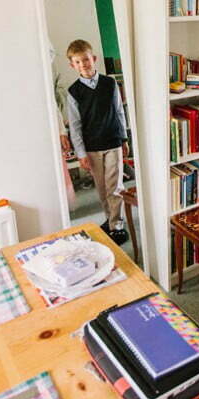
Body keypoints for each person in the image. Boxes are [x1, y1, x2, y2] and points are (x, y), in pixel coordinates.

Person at [65, 39, 130, 246]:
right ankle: (109, 219)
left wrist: (124, 138)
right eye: (78, 61)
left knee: (115, 185)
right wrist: (81, 154)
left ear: (94, 59)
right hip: (92, 148)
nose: (83, 64)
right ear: (72, 65)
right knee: (102, 189)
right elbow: (75, 126)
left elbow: (119, 112)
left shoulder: (110, 84)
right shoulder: (74, 92)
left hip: (113, 142)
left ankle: (117, 225)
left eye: (86, 59)